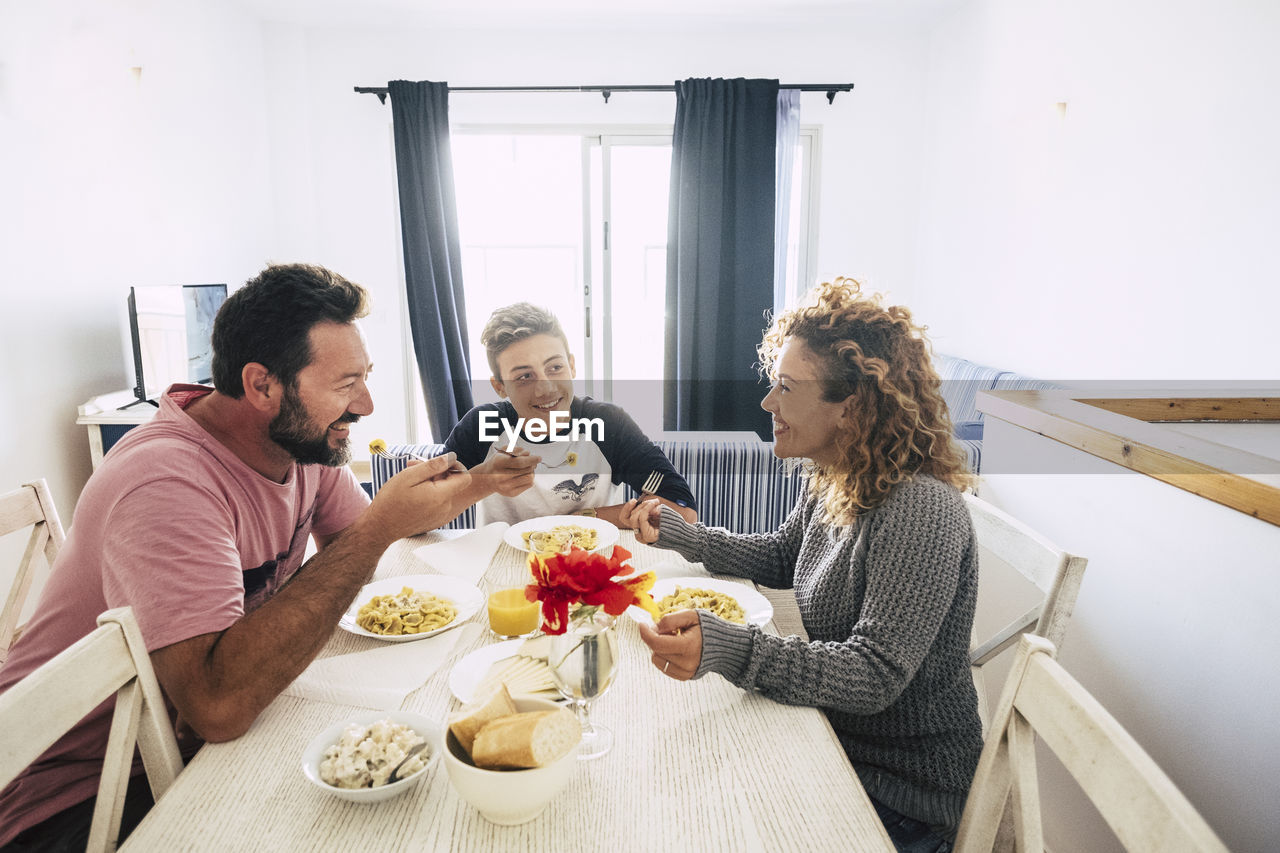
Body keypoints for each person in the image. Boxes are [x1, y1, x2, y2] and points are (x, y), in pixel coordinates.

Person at [0, 263, 472, 850]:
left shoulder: (295, 443)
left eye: (366, 377)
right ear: (262, 385)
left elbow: (363, 542)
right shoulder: (165, 484)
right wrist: (379, 527)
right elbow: (217, 707)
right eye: (346, 384)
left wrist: (478, 485)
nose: (368, 405)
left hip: (183, 744)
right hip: (80, 797)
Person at [632, 278, 982, 853]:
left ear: (851, 406)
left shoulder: (919, 509)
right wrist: (681, 534)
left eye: (786, 388)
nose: (768, 404)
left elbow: (873, 677)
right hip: (830, 732)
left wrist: (733, 649)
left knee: (702, 819)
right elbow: (779, 556)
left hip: (900, 793)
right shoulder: (839, 476)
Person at [445, 302, 698, 528]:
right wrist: (483, 482)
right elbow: (417, 518)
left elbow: (683, 509)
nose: (546, 389)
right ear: (499, 386)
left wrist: (583, 518)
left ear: (572, 366)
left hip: (592, 566)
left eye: (555, 367)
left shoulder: (608, 424)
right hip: (500, 570)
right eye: (524, 376)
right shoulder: (481, 426)